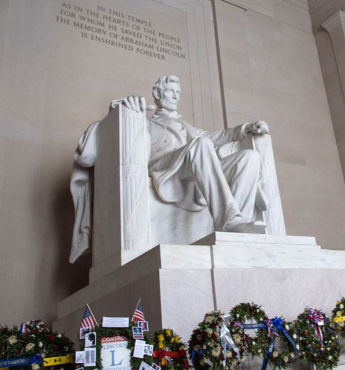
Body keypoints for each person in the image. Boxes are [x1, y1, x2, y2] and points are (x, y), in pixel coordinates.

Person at [69, 75, 270, 263]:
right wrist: (121, 106)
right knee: (201, 144)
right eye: (170, 91)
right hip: (164, 168)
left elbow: (217, 137)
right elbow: (105, 135)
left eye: (178, 92)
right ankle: (230, 220)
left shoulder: (187, 127)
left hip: (191, 165)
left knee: (250, 157)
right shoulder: (144, 121)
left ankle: (235, 228)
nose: (175, 96)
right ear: (157, 94)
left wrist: (246, 129)